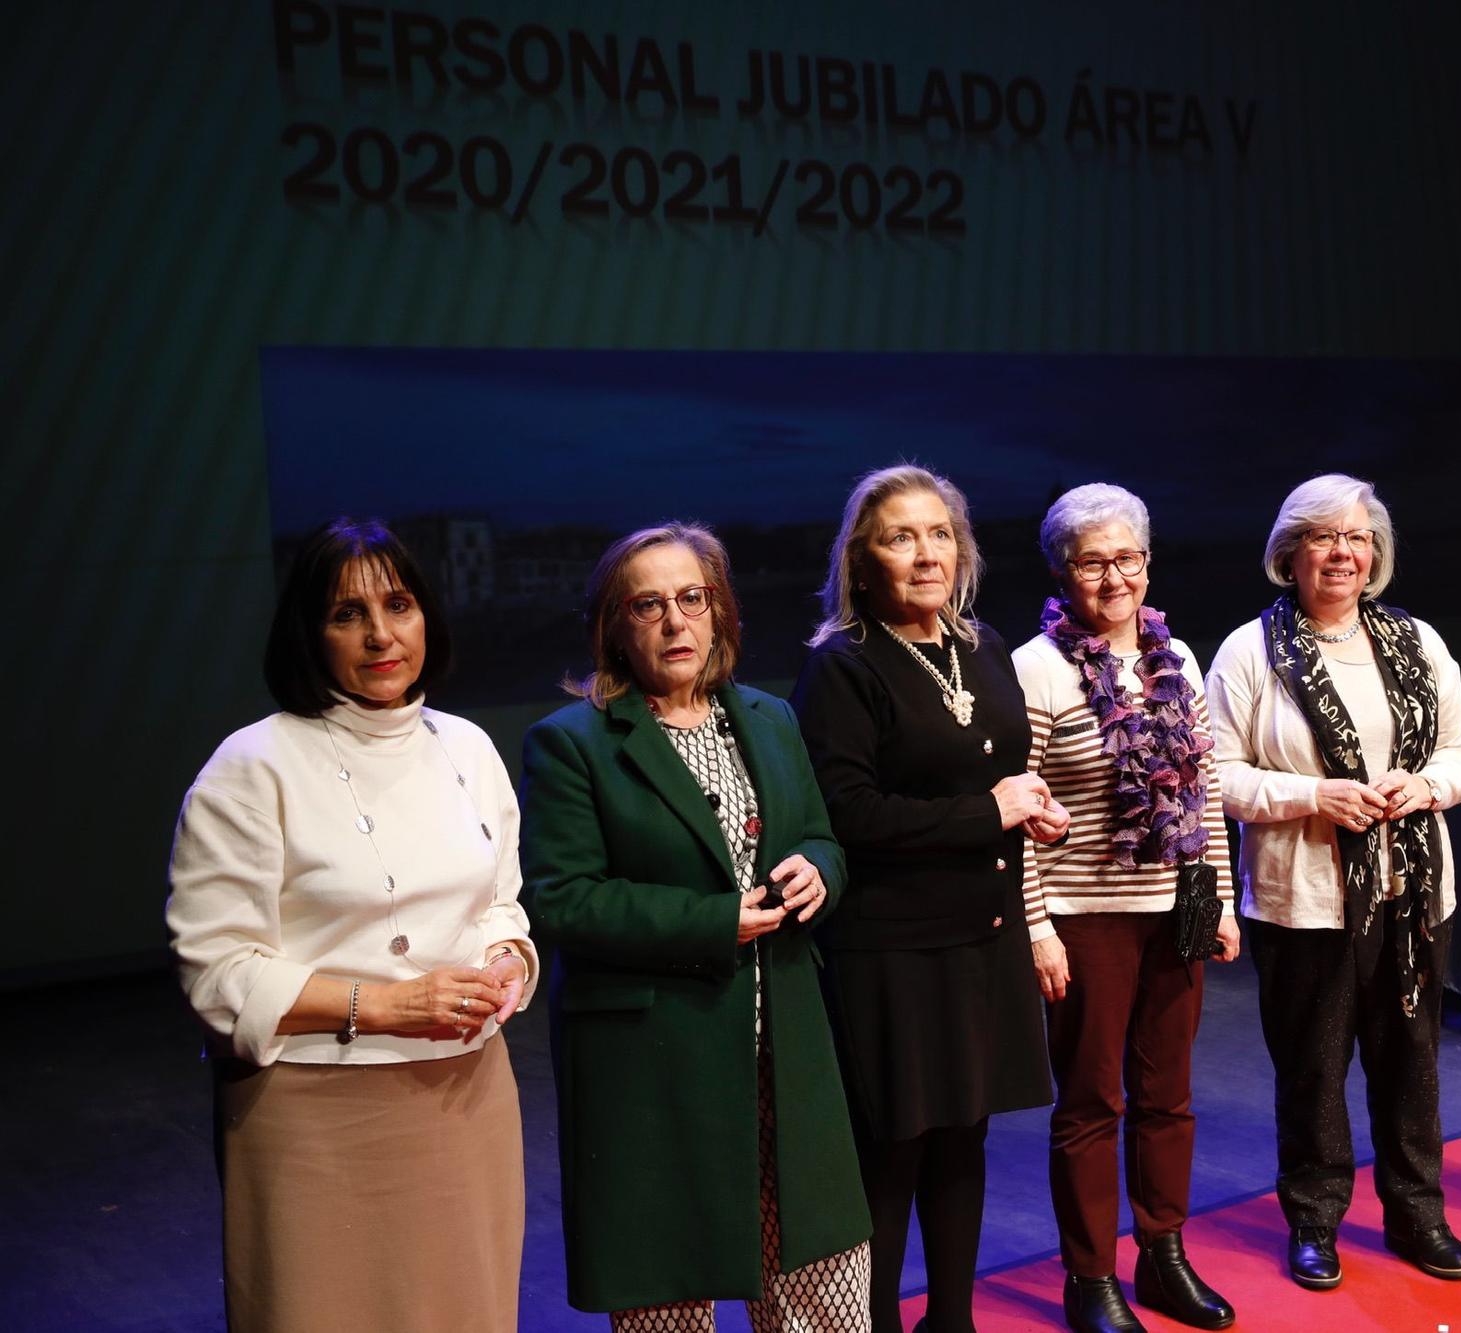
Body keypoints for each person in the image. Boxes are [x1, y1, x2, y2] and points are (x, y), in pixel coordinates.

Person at [165, 517, 536, 1333]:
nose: (379, 635)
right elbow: (218, 975)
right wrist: (388, 1004)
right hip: (317, 1115)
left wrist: (510, 958)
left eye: (398, 605)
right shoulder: (251, 767)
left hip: (468, 1096)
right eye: (346, 614)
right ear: (310, 631)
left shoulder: (468, 748)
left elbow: (500, 901)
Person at [519, 523, 869, 1332]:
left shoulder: (771, 716)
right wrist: (714, 920)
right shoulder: (571, 744)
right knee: (669, 1297)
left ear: (719, 613)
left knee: (822, 1286)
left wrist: (822, 867)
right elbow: (564, 898)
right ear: (614, 623)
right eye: (649, 604)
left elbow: (821, 835)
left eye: (692, 598)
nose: (675, 621)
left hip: (785, 1046)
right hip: (657, 1068)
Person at [792, 464, 1068, 1333]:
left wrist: (1030, 806)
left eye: (939, 533)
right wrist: (987, 809)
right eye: (899, 537)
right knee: (894, 1148)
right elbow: (847, 814)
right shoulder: (843, 666)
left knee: (964, 1139)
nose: (925, 553)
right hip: (892, 949)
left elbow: (997, 772)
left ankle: (952, 1320)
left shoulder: (980, 645)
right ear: (860, 560)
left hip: (982, 937)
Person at [1206, 474, 1461, 1291]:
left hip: (1413, 893)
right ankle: (1315, 1220)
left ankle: (1416, 1211)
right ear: (1289, 553)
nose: (1343, 553)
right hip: (1305, 899)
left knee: (1412, 1058)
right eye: (1325, 537)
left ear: (1376, 553)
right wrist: (1311, 795)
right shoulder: (1248, 651)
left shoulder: (1418, 640)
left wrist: (1422, 785)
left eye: (1357, 538)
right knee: (1314, 1068)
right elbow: (1216, 776)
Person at [1012, 484, 1240, 1333]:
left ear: (1148, 562)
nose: (1113, 577)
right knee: (1090, 1099)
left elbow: (1205, 789)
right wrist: (1036, 923)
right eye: (1092, 561)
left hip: (1175, 900)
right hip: (1084, 911)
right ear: (1063, 570)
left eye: (1127, 558)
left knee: (1168, 1094)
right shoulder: (1035, 668)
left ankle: (1163, 1254)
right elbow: (1022, 815)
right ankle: (1089, 1277)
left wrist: (1216, 895)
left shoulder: (1173, 654)